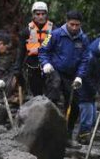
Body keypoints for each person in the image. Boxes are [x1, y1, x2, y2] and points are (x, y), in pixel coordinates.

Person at [38, 10, 89, 144]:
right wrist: (46, 63)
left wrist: (79, 76)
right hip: (55, 69)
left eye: (77, 25)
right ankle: (46, 131)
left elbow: (85, 59)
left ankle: (67, 135)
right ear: (66, 22)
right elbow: (43, 51)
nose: (74, 28)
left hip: (72, 74)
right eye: (72, 24)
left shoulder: (83, 38)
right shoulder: (54, 34)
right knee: (54, 90)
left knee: (74, 104)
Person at [13, 1, 54, 96]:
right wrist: (17, 68)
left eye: (43, 14)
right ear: (33, 15)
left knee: (51, 92)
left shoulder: (53, 30)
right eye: (38, 14)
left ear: (46, 15)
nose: (40, 17)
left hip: (50, 65)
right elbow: (21, 51)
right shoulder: (26, 31)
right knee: (36, 92)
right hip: (33, 65)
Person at [77, 36, 100, 145]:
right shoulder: (90, 57)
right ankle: (83, 137)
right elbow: (86, 77)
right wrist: (95, 91)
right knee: (87, 119)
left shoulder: (96, 58)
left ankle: (83, 136)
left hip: (90, 94)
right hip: (85, 94)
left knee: (92, 118)